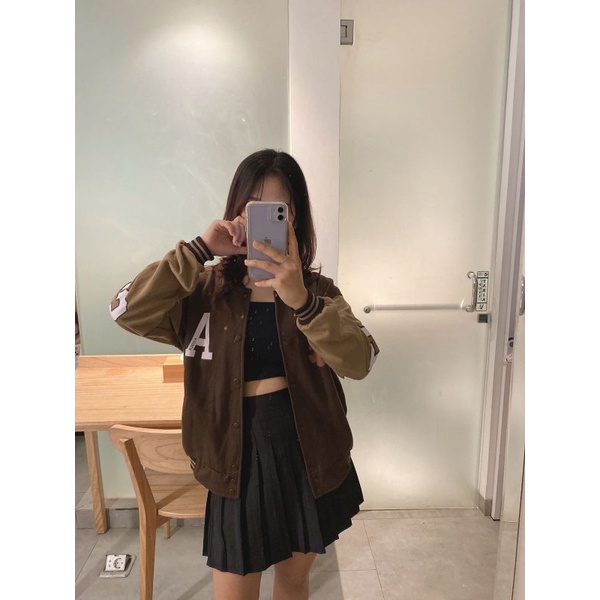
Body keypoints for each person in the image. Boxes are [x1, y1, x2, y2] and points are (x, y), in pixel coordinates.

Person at [109, 149, 379, 600]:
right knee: (233, 591)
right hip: (235, 456)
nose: (261, 221)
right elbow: (125, 309)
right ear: (235, 211)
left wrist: (303, 302)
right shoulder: (203, 292)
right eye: (252, 206)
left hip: (305, 450)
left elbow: (362, 359)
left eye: (278, 209)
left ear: (294, 218)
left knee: (293, 581)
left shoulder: (317, 292)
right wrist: (198, 250)